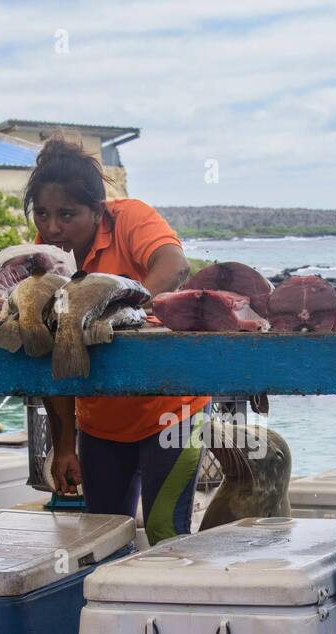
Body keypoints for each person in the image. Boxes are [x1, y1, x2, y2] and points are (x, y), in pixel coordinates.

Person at [32, 137, 209, 544]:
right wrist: (63, 446)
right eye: (42, 213)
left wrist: (123, 311)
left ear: (97, 211)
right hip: (100, 424)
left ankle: (169, 608)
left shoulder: (130, 217)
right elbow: (52, 355)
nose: (52, 227)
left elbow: (174, 264)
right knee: (103, 538)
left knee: (166, 532)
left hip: (172, 412)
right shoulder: (46, 254)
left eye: (67, 214)